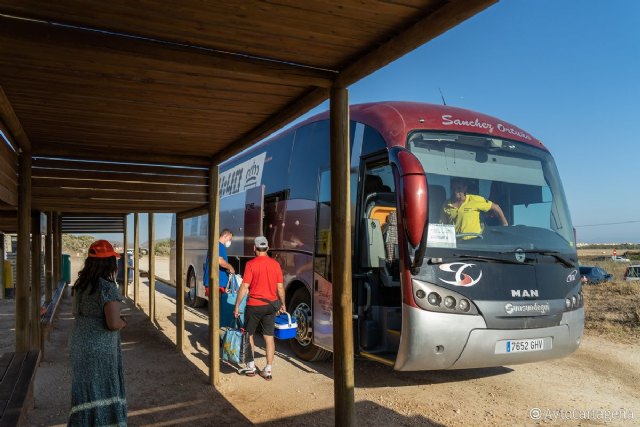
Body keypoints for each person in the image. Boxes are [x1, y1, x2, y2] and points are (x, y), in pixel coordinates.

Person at [68, 240, 127, 426]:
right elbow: (112, 323)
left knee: (85, 391)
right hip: (100, 349)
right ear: (109, 263)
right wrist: (123, 322)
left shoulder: (80, 285)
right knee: (103, 389)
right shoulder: (108, 288)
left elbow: (76, 313)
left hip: (79, 343)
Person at [233, 236, 286, 380]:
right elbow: (280, 287)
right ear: (268, 248)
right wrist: (283, 304)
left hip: (254, 306)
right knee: (269, 338)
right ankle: (268, 370)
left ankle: (251, 367)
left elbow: (244, 286)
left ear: (254, 248)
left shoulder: (250, 264)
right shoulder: (275, 264)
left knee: (249, 335)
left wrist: (237, 305)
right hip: (271, 306)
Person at [441, 178, 508, 236]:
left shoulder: (475, 200)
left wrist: (505, 225)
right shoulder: (446, 205)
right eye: (453, 188)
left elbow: (496, 207)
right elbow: (443, 226)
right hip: (456, 246)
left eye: (459, 188)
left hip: (474, 243)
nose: (455, 191)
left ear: (465, 188)